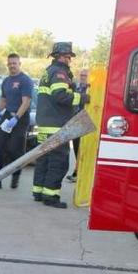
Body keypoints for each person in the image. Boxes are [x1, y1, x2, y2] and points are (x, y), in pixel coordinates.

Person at [32, 42, 81, 208]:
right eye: (68, 57)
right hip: (56, 126)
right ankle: (50, 196)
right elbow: (60, 96)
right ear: (60, 56)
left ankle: (38, 192)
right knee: (58, 162)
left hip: (45, 124)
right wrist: (81, 98)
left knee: (44, 160)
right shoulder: (60, 72)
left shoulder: (48, 71)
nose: (69, 60)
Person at [0, 53, 34, 190]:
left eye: (15, 63)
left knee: (15, 149)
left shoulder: (25, 80)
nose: (12, 66)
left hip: (20, 118)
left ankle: (16, 175)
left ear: (19, 64)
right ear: (7, 65)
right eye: (10, 63)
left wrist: (16, 118)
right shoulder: (6, 81)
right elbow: (3, 100)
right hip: (7, 116)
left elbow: (26, 102)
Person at [66, 69, 90, 183]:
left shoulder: (91, 88)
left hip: (85, 121)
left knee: (82, 148)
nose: (83, 77)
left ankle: (78, 172)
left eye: (85, 75)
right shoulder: (76, 87)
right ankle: (77, 171)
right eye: (81, 75)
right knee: (76, 148)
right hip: (75, 120)